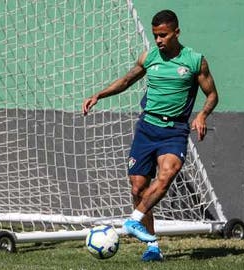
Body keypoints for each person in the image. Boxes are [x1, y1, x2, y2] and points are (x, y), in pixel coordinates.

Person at [82, 9, 219, 262]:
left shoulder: (195, 61)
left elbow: (212, 94)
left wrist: (201, 116)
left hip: (174, 131)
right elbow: (126, 81)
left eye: (163, 35)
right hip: (147, 128)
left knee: (166, 176)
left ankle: (133, 221)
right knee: (138, 188)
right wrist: (99, 95)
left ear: (176, 32)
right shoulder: (149, 57)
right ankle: (153, 247)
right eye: (156, 35)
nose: (158, 40)